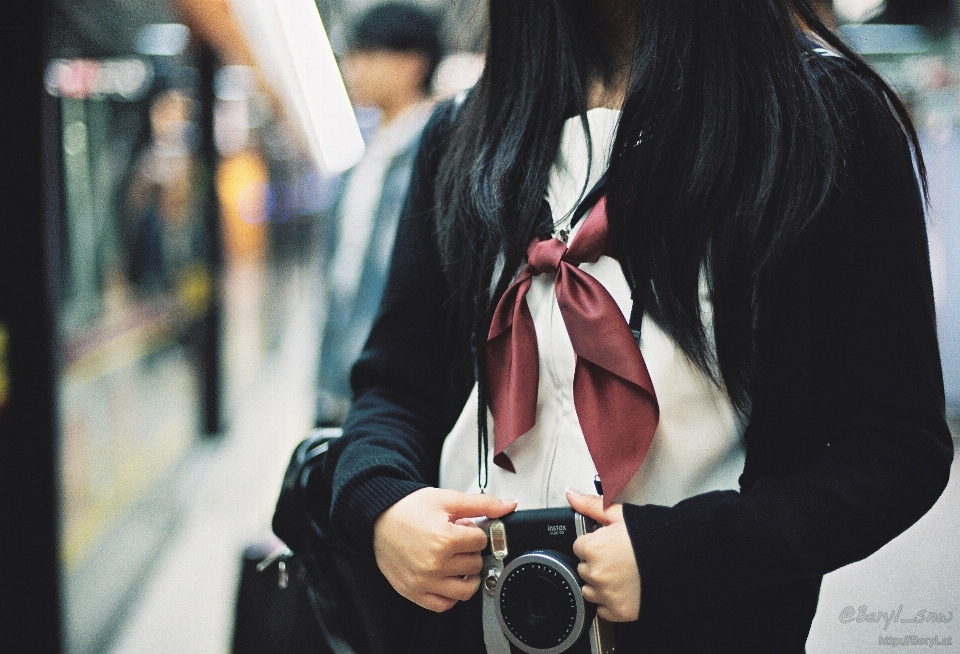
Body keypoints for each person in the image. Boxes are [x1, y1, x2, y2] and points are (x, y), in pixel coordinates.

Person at [314, 0, 954, 651]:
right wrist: (384, 502)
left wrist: (684, 554)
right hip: (465, 626)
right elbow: (396, 388)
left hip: (704, 629)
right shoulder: (466, 132)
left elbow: (896, 444)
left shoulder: (820, 123)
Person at [315, 2, 443, 426]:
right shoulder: (364, 160)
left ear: (412, 64)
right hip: (347, 376)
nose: (352, 69)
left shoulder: (441, 156)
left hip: (400, 387)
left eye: (366, 55)